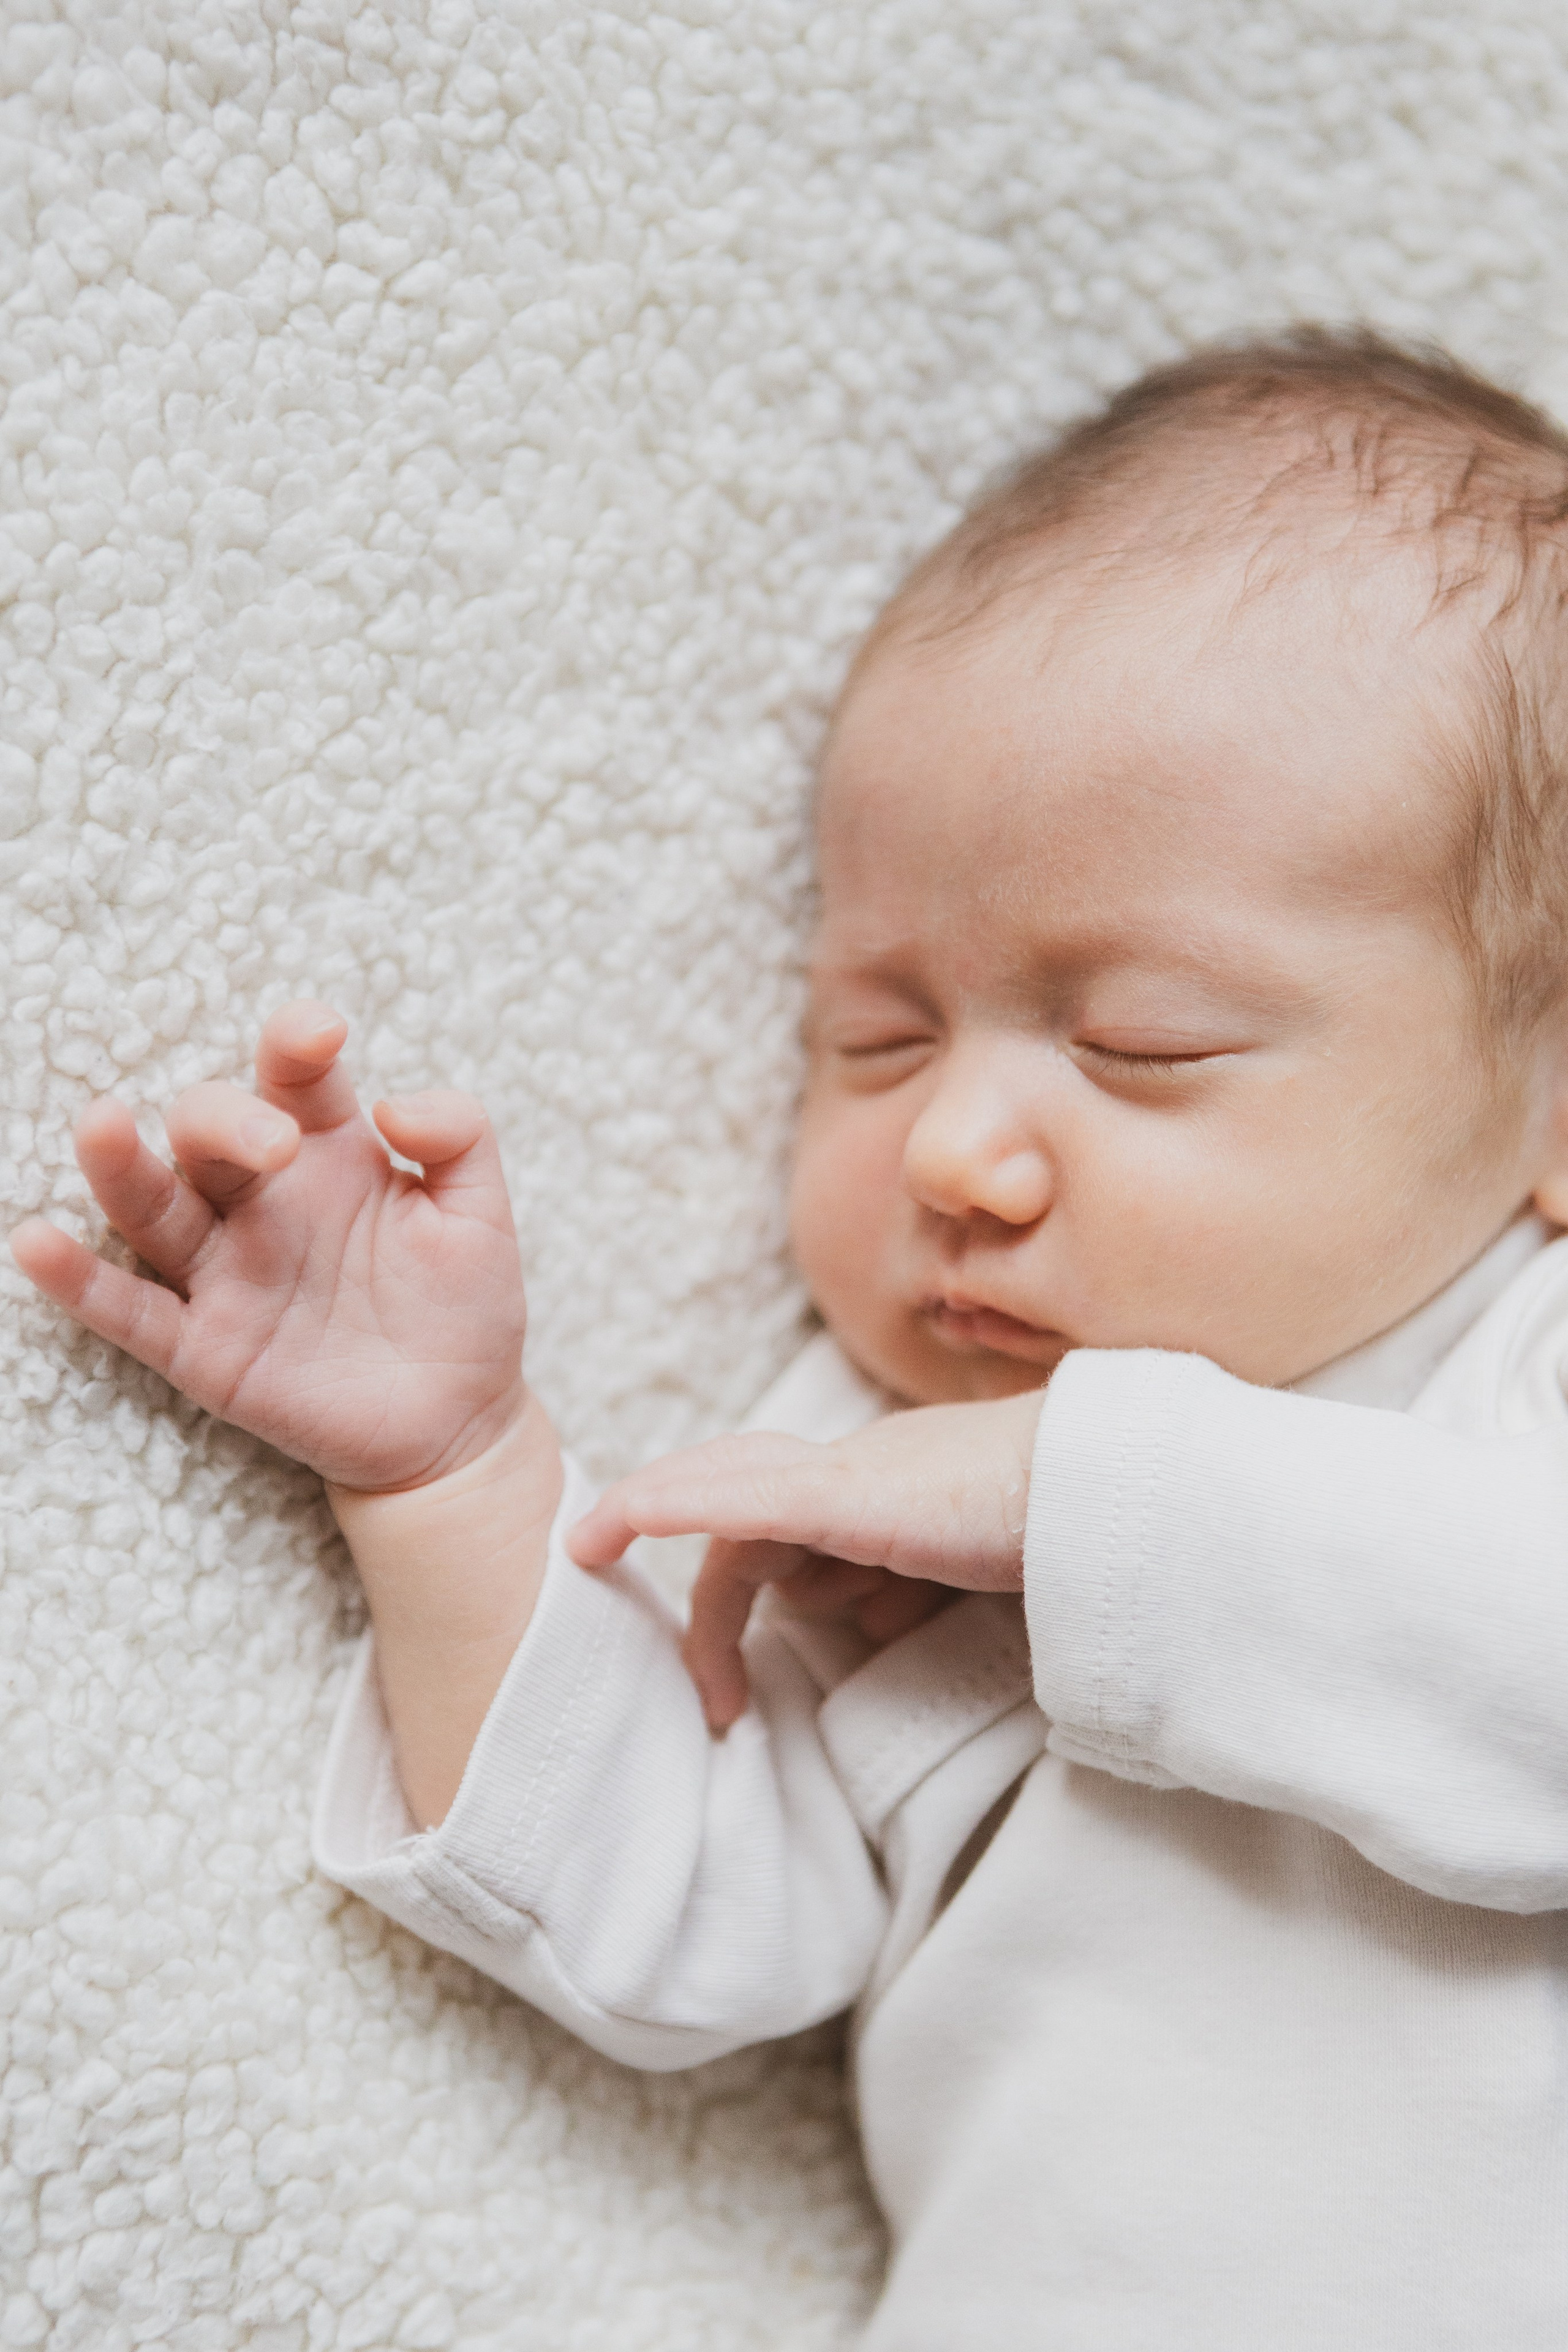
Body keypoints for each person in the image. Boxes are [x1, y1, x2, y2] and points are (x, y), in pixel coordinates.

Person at [15, 328, 1568, 2348]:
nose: (957, 1148)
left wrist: (1060, 1496)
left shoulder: (1508, 1360)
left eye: (1141, 1045)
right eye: (880, 1036)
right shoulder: (875, 1458)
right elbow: (684, 1931)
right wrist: (451, 1475)